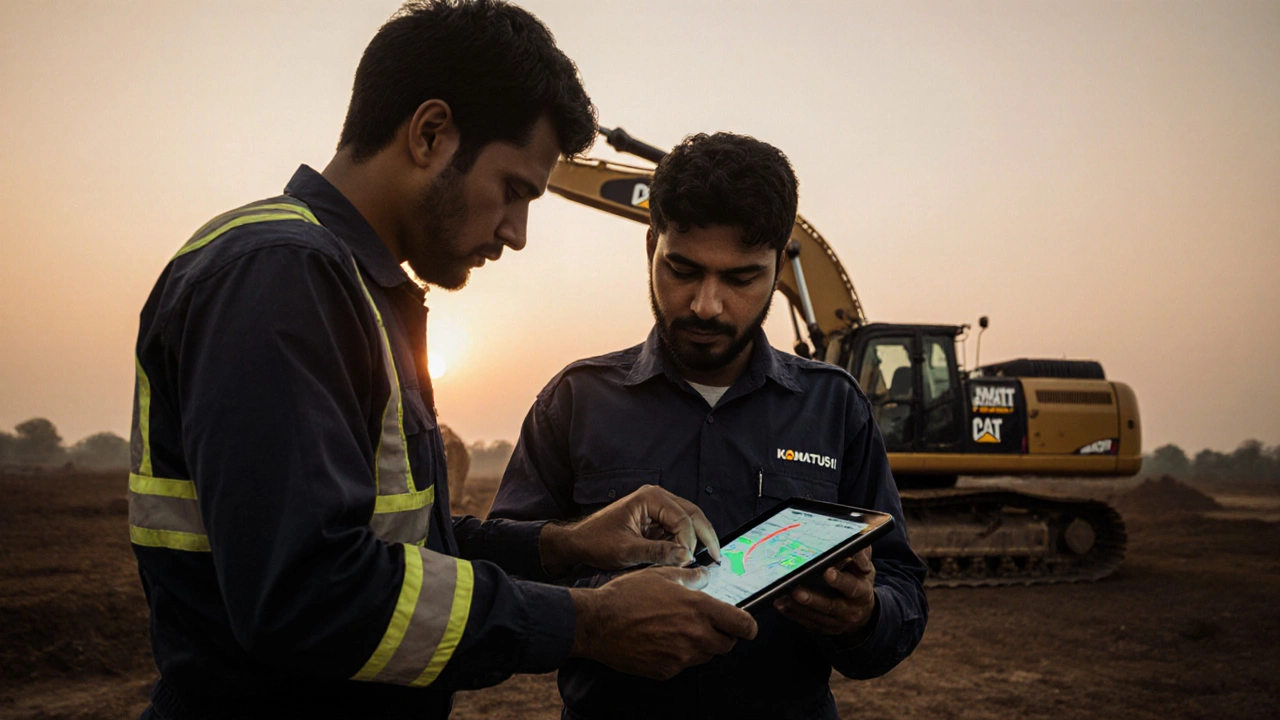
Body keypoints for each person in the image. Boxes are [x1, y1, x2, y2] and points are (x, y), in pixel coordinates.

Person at [127, 3, 757, 719]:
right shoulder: (279, 276)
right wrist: (588, 621)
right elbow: (308, 594)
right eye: (514, 190)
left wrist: (563, 545)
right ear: (430, 133)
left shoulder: (354, 290)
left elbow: (397, 548)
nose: (517, 233)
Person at [488, 132, 929, 720]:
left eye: (740, 279)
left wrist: (864, 616)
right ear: (651, 246)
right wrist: (599, 609)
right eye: (683, 269)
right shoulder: (574, 401)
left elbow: (902, 588)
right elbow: (501, 580)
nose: (706, 305)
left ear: (779, 267)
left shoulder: (836, 407)